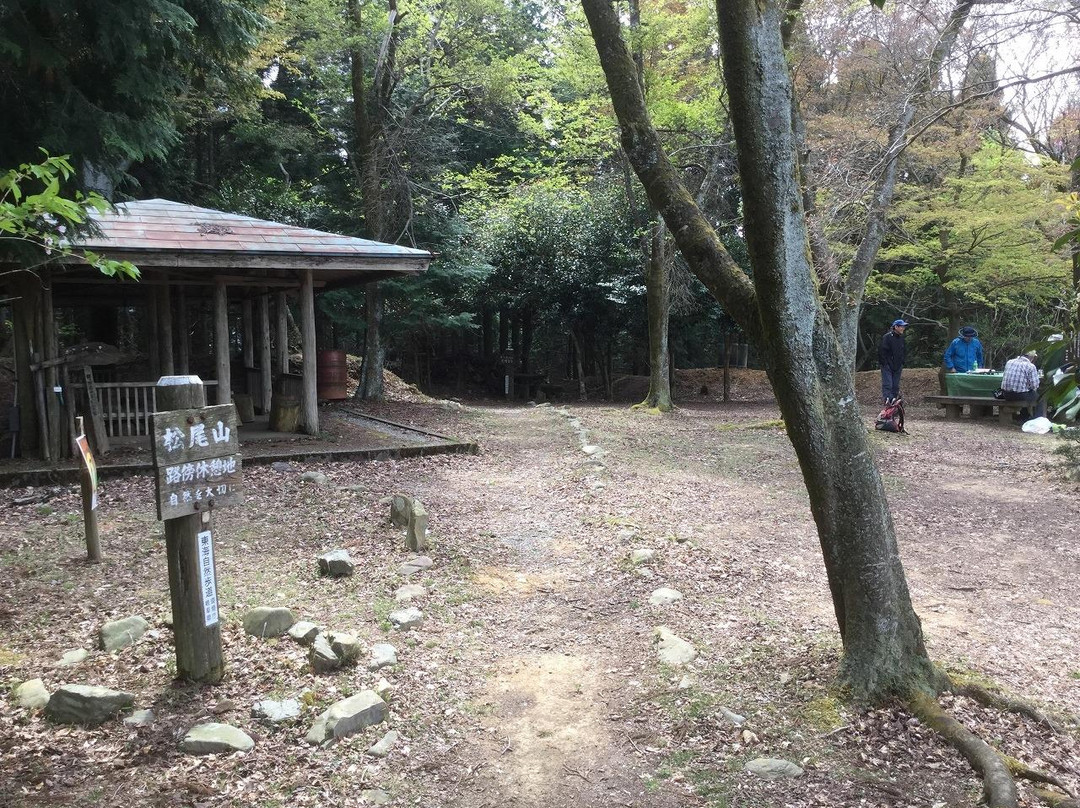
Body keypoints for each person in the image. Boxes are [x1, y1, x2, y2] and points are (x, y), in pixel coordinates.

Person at [1001, 349, 1044, 421]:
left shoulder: (1009, 362)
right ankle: (1038, 419)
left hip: (1006, 394)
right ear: (1032, 357)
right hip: (1019, 395)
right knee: (1039, 399)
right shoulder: (1030, 366)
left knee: (1026, 392)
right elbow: (1035, 385)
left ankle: (1023, 417)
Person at [878, 319, 907, 403]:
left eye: (903, 327)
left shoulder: (901, 338)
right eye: (901, 326)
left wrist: (902, 362)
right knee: (888, 384)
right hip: (887, 365)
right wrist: (885, 363)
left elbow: (904, 351)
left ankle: (893, 401)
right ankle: (887, 399)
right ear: (896, 327)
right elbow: (882, 351)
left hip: (898, 365)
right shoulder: (887, 337)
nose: (903, 328)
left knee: (895, 385)